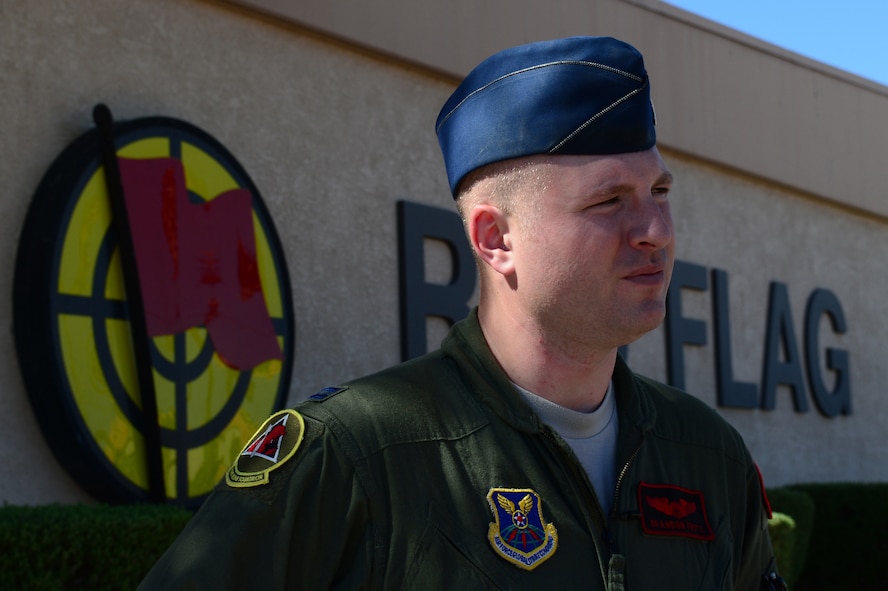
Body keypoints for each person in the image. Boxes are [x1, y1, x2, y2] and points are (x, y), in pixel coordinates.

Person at [138, 36, 786, 590]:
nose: (655, 230)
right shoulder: (357, 455)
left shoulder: (706, 454)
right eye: (609, 201)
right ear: (495, 239)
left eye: (659, 192)